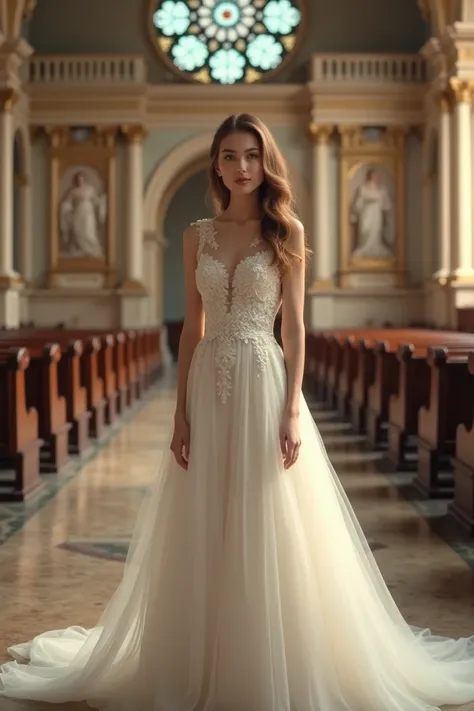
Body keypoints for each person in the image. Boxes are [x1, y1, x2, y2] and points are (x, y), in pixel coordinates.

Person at [2, 113, 474, 711]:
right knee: (205, 515)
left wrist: (292, 410)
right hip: (207, 384)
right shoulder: (195, 236)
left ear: (264, 159)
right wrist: (179, 414)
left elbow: (297, 329)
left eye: (251, 155)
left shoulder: (287, 232)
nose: (241, 167)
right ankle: (203, 652)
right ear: (216, 165)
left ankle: (267, 655)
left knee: (264, 511)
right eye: (229, 156)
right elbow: (191, 331)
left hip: (264, 379)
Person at [59, 171, 107, 259]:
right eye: (78, 179)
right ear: (76, 180)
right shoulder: (72, 191)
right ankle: (79, 249)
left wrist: (102, 201)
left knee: (88, 231)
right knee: (77, 230)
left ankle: (90, 250)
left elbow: (96, 201)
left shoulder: (90, 189)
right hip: (77, 212)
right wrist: (66, 209)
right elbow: (67, 203)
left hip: (88, 213)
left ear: (84, 179)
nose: (79, 181)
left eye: (81, 179)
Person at [350, 167, 394, 259]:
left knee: (376, 232)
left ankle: (375, 249)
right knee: (365, 231)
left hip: (376, 214)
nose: (374, 178)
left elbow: (386, 204)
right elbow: (358, 203)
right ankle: (364, 249)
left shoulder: (381, 189)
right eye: (372, 176)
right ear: (369, 176)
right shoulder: (363, 188)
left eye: (376, 176)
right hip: (366, 214)